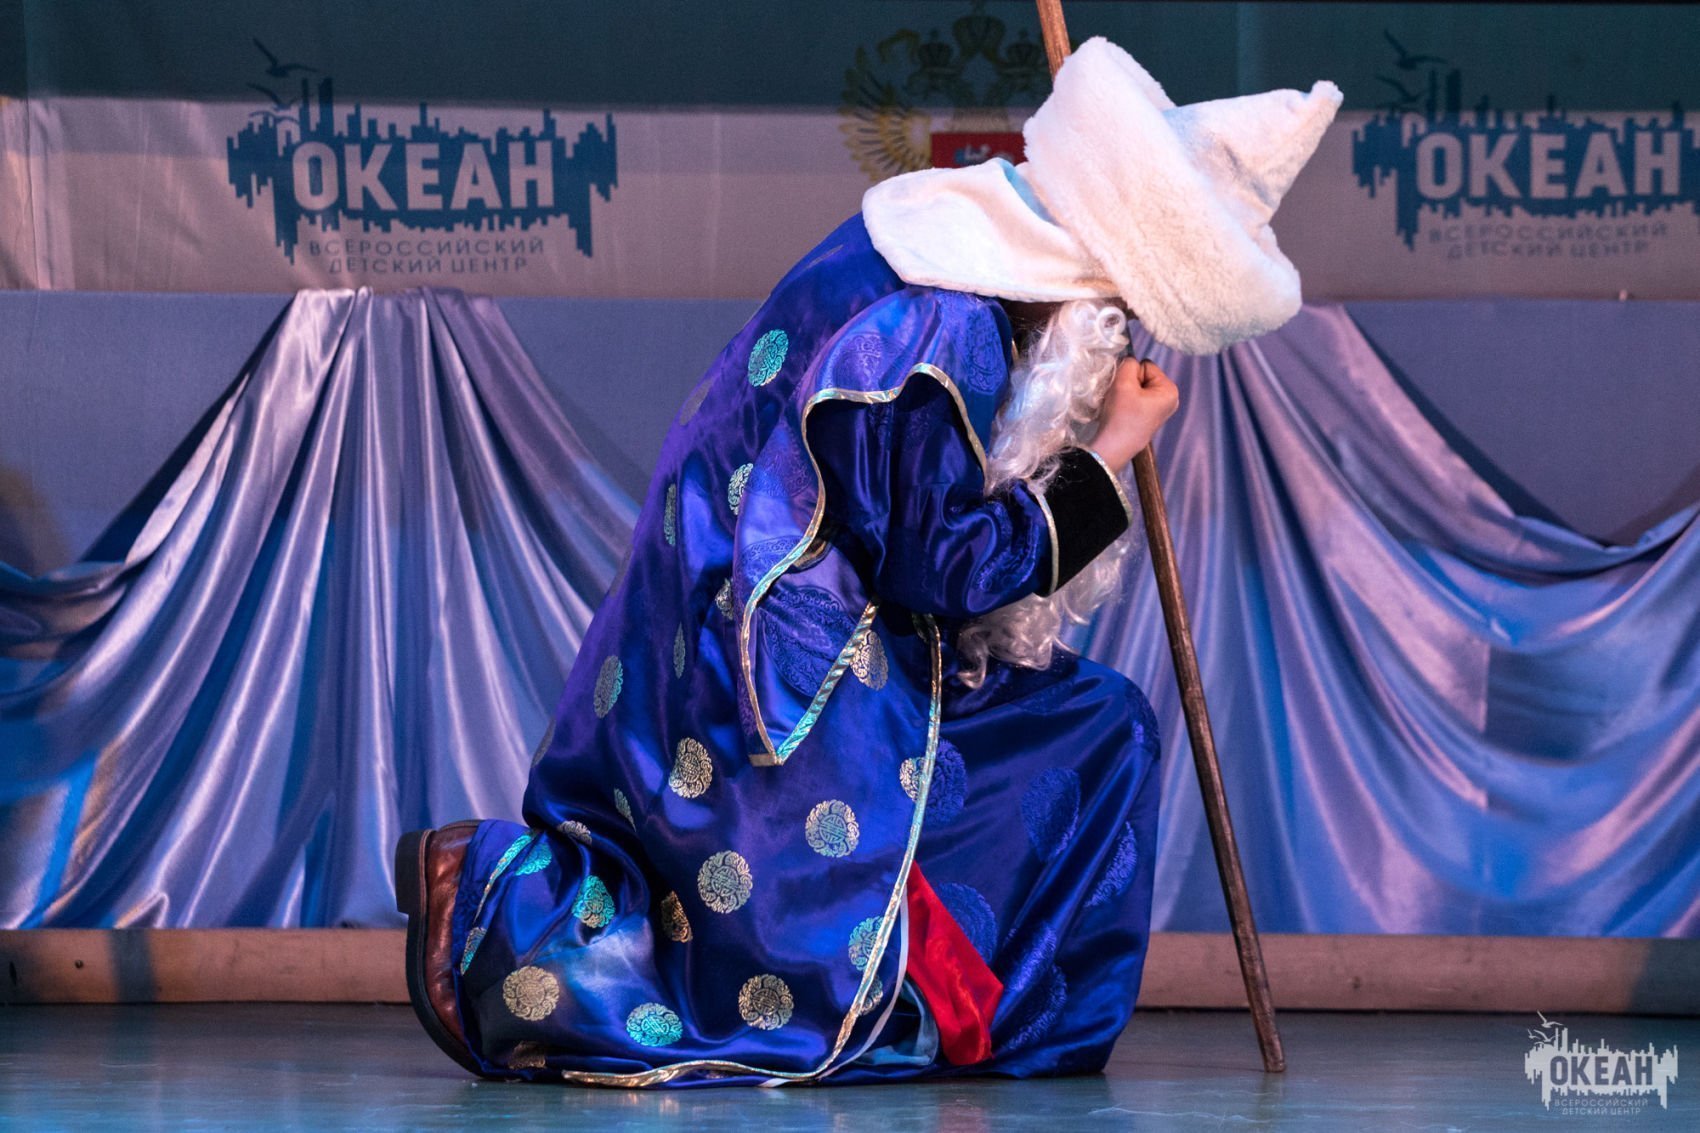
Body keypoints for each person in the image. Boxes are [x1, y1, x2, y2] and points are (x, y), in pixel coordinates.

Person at [396, 38, 1338, 1085]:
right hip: (785, 673)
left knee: (1081, 718)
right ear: (1094, 290)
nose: (1120, 348)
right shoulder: (951, 324)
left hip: (710, 618)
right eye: (1123, 320)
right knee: (1095, 731)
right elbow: (945, 568)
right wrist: (1104, 454)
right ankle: (498, 900)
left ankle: (948, 1004)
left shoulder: (920, 239)